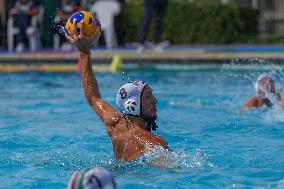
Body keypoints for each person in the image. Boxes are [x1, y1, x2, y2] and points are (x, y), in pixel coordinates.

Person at [65, 22, 168, 161]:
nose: (155, 101)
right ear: (133, 105)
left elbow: (93, 97)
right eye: (149, 96)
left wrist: (84, 52)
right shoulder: (155, 142)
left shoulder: (115, 125)